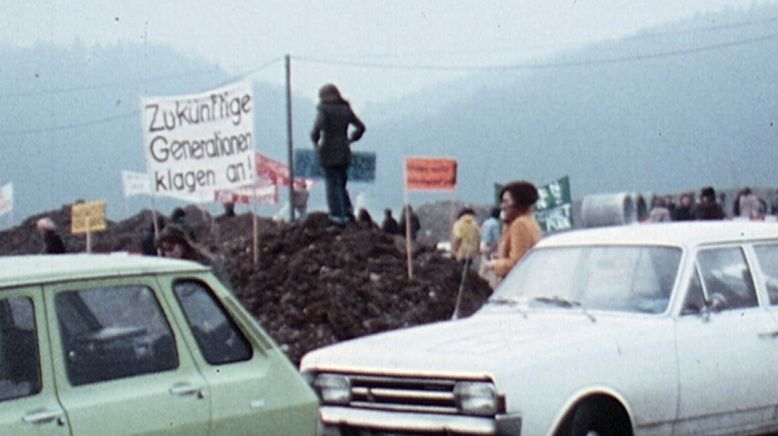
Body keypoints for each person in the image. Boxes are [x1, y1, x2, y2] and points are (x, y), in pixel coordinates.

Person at [310, 83, 366, 225]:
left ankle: (337, 215)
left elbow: (316, 130)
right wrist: (351, 139)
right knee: (341, 184)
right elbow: (361, 127)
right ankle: (347, 212)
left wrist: (315, 143)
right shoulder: (345, 109)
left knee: (331, 184)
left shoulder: (324, 110)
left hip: (328, 150)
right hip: (344, 151)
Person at [483, 181, 543, 283]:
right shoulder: (529, 222)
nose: (502, 206)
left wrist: (493, 265)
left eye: (506, 201)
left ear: (518, 203)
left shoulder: (519, 225)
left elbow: (517, 263)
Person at [156, 225, 232, 289]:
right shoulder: (171, 268)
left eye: (170, 248)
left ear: (181, 245)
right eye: (164, 250)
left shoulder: (203, 265)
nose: (167, 254)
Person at [478, 207, 501, 287]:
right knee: (492, 266)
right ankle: (493, 285)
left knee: (483, 264)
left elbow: (481, 233)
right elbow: (497, 238)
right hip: (489, 246)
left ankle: (480, 279)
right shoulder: (495, 224)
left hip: (482, 244)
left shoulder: (486, 222)